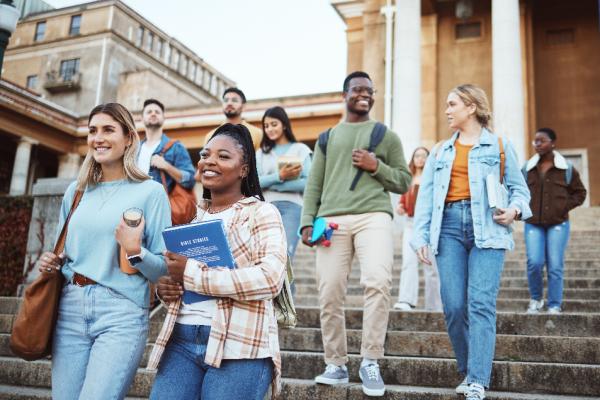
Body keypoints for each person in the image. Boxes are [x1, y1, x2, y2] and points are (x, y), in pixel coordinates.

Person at [38, 103, 171, 400]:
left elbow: (163, 267)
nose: (98, 137)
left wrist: (135, 251)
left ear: (128, 139)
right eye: (92, 130)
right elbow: (64, 251)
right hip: (70, 307)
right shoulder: (76, 191)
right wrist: (52, 262)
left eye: (108, 129)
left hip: (121, 311)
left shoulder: (151, 192)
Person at [147, 124, 287, 400]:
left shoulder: (262, 213)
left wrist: (192, 274)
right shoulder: (194, 218)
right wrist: (167, 289)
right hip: (182, 341)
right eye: (205, 154)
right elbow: (184, 280)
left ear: (244, 169)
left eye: (223, 156)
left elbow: (270, 279)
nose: (209, 161)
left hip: (239, 344)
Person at [411, 84, 532, 400]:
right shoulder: (439, 151)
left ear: (472, 106)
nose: (447, 110)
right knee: (453, 305)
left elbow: (520, 189)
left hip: (489, 228)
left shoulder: (500, 146)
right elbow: (426, 198)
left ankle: (477, 378)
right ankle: (468, 368)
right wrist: (421, 237)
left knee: (480, 303)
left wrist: (515, 209)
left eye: (452, 104)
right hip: (448, 226)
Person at [300, 71, 411, 397]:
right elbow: (314, 185)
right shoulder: (327, 137)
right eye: (357, 89)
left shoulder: (386, 136)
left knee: (378, 281)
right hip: (331, 221)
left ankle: (370, 360)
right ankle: (335, 363)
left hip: (373, 216)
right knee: (329, 291)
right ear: (345, 94)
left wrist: (375, 166)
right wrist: (307, 221)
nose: (364, 94)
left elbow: (404, 181)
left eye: (369, 90)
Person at [522, 127, 587, 314]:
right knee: (534, 262)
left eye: (542, 140)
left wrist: (563, 207)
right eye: (535, 141)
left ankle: (554, 304)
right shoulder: (527, 168)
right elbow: (518, 190)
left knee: (555, 264)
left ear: (552, 143)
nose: (537, 144)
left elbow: (580, 193)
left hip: (558, 223)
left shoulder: (566, 168)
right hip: (533, 223)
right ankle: (536, 299)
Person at [256, 106, 312, 261]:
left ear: (284, 125)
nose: (269, 129)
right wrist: (279, 176)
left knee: (285, 256)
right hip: (265, 209)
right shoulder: (260, 154)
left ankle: (287, 286)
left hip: (293, 208)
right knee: (266, 258)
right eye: (266, 126)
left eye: (274, 124)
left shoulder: (300, 149)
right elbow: (254, 183)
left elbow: (308, 183)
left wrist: (273, 185)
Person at [393, 146, 442, 312]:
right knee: (408, 262)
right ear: (413, 159)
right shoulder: (408, 179)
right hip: (410, 223)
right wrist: (400, 206)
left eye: (424, 156)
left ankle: (434, 305)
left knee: (431, 266)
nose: (420, 159)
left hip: (428, 225)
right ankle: (406, 300)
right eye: (417, 156)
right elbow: (402, 201)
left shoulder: (434, 178)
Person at [138, 98, 196, 195]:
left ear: (163, 118)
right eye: (149, 112)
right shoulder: (134, 149)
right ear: (142, 119)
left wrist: (166, 166)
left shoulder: (176, 147)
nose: (153, 114)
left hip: (161, 206)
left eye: (157, 112)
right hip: (135, 206)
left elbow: (190, 180)